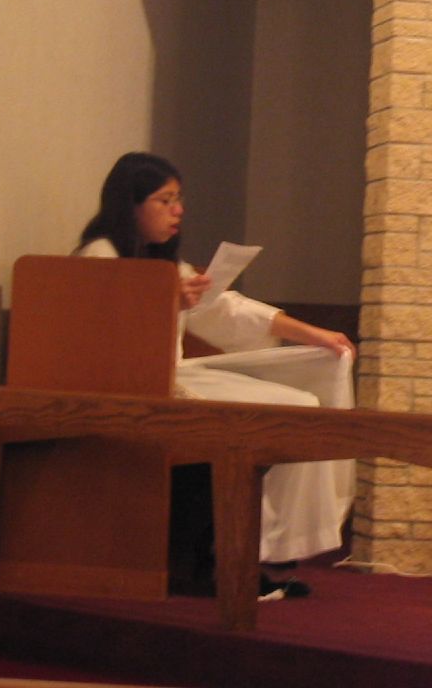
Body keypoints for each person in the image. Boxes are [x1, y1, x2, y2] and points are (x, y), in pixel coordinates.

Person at [76, 151, 356, 597]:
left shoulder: (163, 263)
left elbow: (226, 310)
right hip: (124, 389)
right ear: (129, 204)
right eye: (165, 200)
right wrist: (164, 301)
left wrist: (313, 334)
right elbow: (95, 336)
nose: (178, 210)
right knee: (266, 417)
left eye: (179, 199)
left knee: (302, 405)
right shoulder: (99, 255)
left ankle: (258, 549)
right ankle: (216, 561)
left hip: (168, 380)